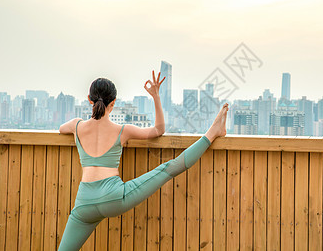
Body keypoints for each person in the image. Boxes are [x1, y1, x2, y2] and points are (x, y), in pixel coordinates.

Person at [57, 71, 228, 250]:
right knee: (167, 168)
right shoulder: (122, 130)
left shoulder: (77, 126)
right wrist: (155, 96)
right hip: (114, 198)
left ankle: (214, 131)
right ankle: (213, 132)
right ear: (113, 103)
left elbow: (62, 129)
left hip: (84, 204)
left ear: (89, 99)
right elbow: (158, 130)